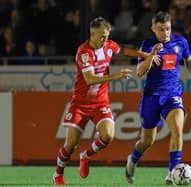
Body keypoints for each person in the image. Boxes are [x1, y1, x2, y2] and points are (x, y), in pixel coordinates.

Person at [52, 17, 150, 185]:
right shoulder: (84, 52)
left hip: (100, 103)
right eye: (102, 36)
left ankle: (86, 156)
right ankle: (58, 174)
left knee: (108, 136)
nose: (105, 40)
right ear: (93, 34)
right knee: (71, 145)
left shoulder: (109, 45)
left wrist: (144, 54)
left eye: (107, 36)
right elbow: (90, 79)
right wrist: (115, 76)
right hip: (80, 104)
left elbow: (124, 50)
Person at [125, 11, 191, 185]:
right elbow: (139, 72)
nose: (165, 33)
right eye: (160, 30)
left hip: (172, 95)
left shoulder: (180, 42)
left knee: (177, 130)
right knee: (147, 140)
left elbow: (188, 60)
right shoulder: (147, 44)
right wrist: (152, 55)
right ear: (153, 29)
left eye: (167, 29)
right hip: (151, 97)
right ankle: (133, 159)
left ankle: (172, 172)